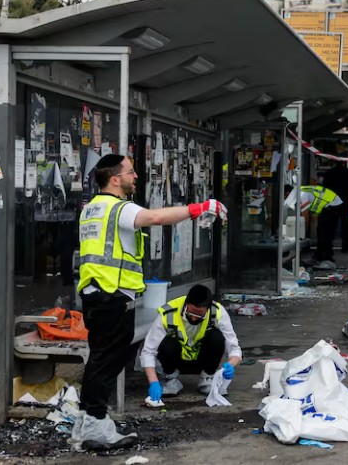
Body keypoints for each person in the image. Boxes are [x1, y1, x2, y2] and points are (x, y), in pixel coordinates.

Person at [74, 154, 227, 449]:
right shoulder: (118, 208)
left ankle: (89, 420)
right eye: (131, 172)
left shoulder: (91, 209)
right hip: (111, 295)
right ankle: (94, 422)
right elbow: (155, 218)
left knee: (103, 359)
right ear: (115, 179)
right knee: (107, 360)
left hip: (97, 294)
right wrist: (199, 208)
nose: (136, 177)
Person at [141, 285, 242, 401]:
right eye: (191, 313)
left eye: (199, 315)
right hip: (176, 361)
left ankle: (207, 378)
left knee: (217, 338)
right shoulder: (168, 313)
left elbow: (235, 348)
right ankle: (170, 379)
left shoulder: (218, 313)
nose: (194, 319)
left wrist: (231, 365)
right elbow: (148, 351)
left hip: (202, 361)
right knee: (165, 342)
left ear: (207, 309)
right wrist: (153, 382)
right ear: (186, 303)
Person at [284, 184, 342, 268]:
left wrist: (302, 233)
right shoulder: (302, 191)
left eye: (285, 196)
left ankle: (326, 259)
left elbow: (305, 216)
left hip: (332, 205)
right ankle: (319, 257)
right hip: (331, 204)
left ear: (288, 193)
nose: (285, 199)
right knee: (321, 231)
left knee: (324, 232)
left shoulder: (301, 194)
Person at [323, 159, 348, 253]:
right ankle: (346, 245)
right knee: (345, 224)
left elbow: (325, 187)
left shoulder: (329, 172)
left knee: (331, 224)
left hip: (332, 200)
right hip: (344, 201)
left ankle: (328, 246)